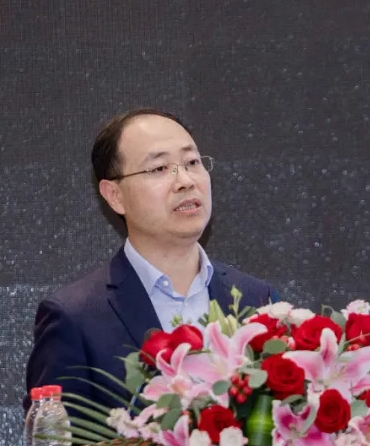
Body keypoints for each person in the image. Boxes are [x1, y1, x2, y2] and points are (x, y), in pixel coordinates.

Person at [24, 108, 277, 414]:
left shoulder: (257, 300)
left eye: (192, 162)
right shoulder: (75, 318)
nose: (185, 181)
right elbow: (55, 442)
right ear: (114, 195)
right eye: (159, 168)